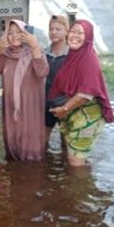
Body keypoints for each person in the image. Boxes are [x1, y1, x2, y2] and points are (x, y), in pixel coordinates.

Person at [48, 19, 114, 167]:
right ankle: (80, 186)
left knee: (75, 161)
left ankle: (82, 189)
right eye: (73, 32)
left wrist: (64, 109)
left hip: (87, 115)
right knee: (76, 157)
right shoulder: (73, 56)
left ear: (88, 37)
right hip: (75, 113)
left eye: (81, 33)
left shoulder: (88, 58)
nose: (75, 36)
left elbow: (86, 93)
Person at [0, 19, 49, 161]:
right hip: (11, 107)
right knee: (13, 145)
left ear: (26, 34)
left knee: (31, 149)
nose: (14, 36)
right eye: (10, 32)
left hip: (30, 107)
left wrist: (34, 48)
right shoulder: (5, 55)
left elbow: (42, 72)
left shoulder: (35, 51)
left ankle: (33, 175)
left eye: (19, 32)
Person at [45, 14, 70, 148]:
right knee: (42, 141)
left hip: (66, 104)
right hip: (46, 103)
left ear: (67, 31)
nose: (53, 32)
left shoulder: (72, 54)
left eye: (58, 29)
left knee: (66, 143)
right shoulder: (44, 54)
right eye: (51, 29)